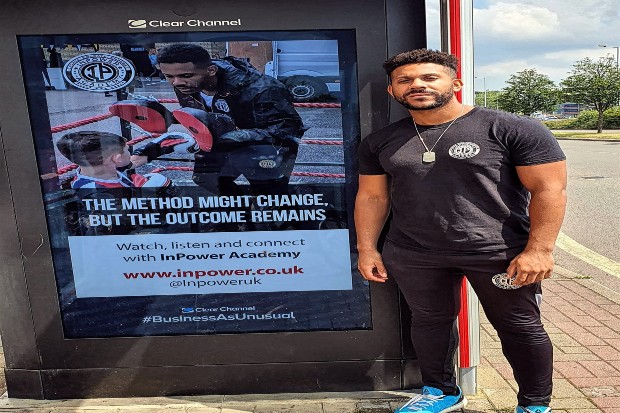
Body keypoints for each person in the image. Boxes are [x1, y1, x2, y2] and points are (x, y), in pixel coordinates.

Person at [355, 49, 566, 413]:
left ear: (455, 82)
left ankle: (534, 404)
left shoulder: (511, 128)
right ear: (392, 91)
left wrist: (540, 249)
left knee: (518, 326)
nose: (417, 85)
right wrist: (367, 248)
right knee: (429, 322)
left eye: (428, 77)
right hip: (415, 251)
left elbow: (550, 189)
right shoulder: (380, 142)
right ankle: (441, 392)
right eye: (404, 80)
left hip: (498, 251)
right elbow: (372, 197)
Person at [131, 43, 306, 199]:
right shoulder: (187, 83)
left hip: (265, 148)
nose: (176, 82)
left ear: (211, 70)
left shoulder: (263, 88)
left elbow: (288, 128)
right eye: (168, 76)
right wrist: (158, 138)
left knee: (270, 195)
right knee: (208, 180)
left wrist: (232, 136)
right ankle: (240, 215)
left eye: (185, 75)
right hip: (218, 145)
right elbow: (202, 119)